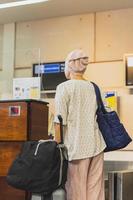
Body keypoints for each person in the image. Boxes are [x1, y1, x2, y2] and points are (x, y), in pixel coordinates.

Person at [54, 49, 106, 200]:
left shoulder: (64, 87)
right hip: (97, 144)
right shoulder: (95, 87)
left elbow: (60, 120)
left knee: (77, 191)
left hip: (76, 147)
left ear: (69, 66)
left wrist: (56, 145)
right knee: (95, 190)